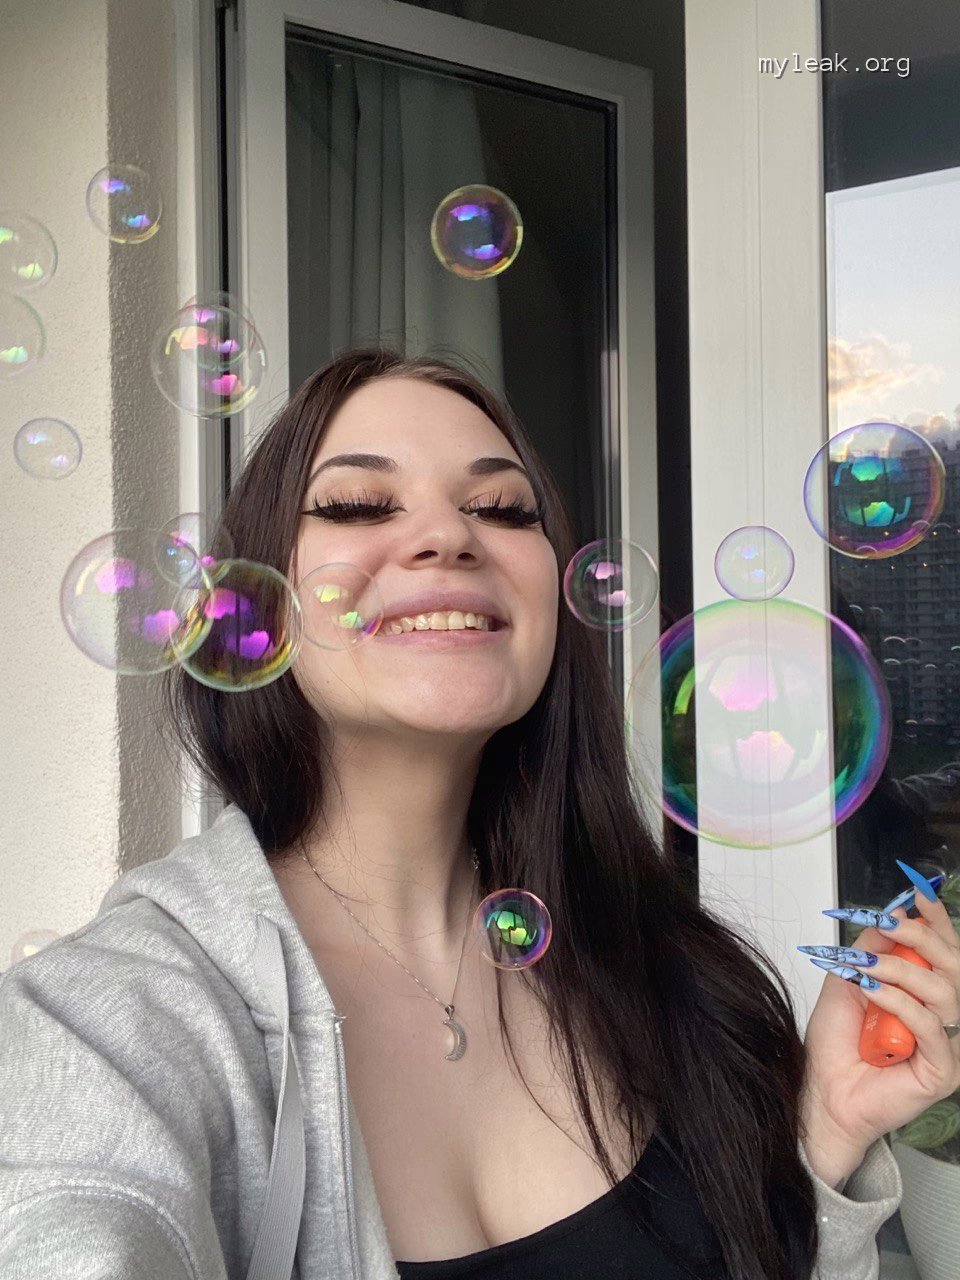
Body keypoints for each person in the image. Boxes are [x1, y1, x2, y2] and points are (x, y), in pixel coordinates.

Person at [1, 348, 958, 1280]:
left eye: (500, 509)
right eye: (357, 504)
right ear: (255, 604)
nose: (448, 536)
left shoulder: (671, 973)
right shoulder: (115, 1022)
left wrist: (823, 1135)